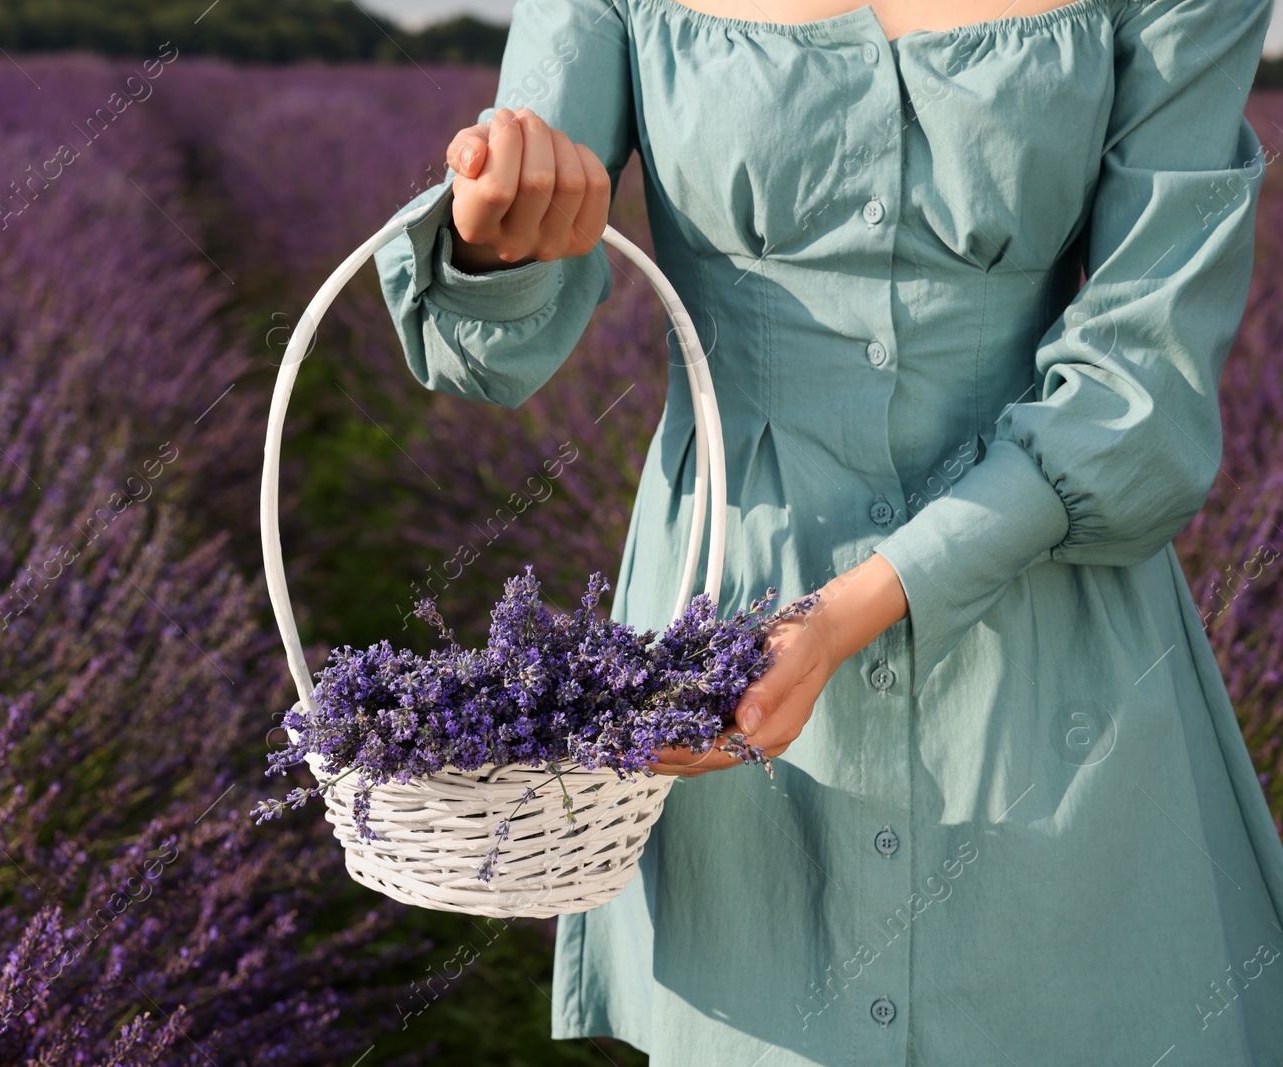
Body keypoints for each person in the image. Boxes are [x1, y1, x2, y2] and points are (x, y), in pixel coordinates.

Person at [370, 0, 1283, 1062]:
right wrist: (491, 238)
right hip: (730, 643)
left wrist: (851, 609)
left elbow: (1142, 382)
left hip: (1047, 633)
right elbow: (489, 350)